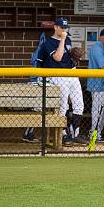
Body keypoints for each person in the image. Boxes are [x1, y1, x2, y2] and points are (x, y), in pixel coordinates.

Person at [35, 17, 86, 146]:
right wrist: (62, 39)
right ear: (55, 27)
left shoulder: (68, 39)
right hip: (58, 74)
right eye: (61, 27)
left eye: (65, 27)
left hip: (71, 72)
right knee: (62, 106)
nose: (64, 29)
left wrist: (73, 54)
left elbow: (66, 54)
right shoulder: (48, 43)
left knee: (79, 104)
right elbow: (57, 58)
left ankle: (75, 134)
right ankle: (63, 135)